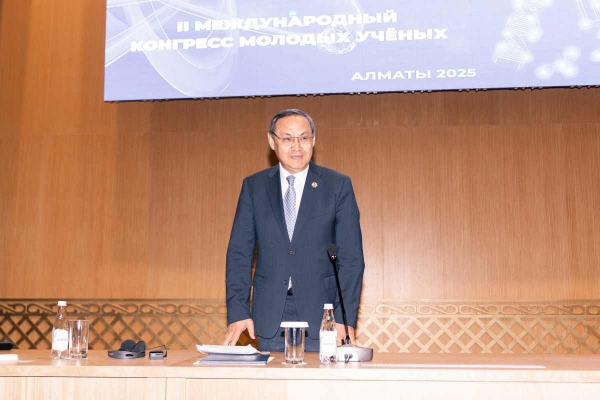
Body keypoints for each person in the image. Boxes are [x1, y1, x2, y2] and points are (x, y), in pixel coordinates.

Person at [223, 109, 365, 352]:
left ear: (313, 140)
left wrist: (344, 317)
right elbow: (239, 254)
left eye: (304, 138)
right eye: (288, 138)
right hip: (268, 315)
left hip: (325, 316)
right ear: (272, 141)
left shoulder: (337, 185)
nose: (297, 147)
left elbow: (351, 258)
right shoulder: (254, 187)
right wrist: (238, 311)